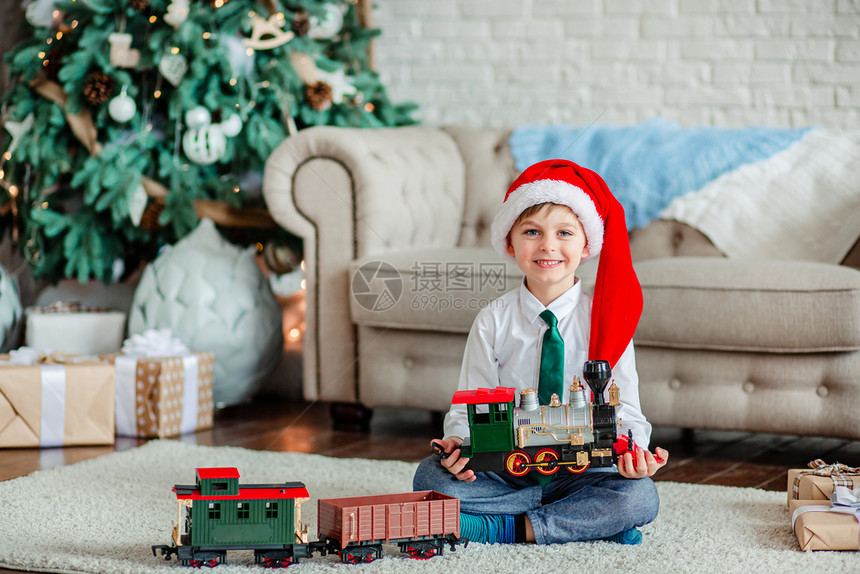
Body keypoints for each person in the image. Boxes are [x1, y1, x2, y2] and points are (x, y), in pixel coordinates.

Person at [412, 159, 669, 545]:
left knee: (639, 497)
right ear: (511, 242)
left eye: (564, 232)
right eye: (532, 232)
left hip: (581, 472)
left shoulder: (606, 323)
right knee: (429, 478)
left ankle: (504, 528)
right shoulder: (493, 321)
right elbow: (467, 407)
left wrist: (636, 454)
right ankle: (582, 524)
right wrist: (458, 447)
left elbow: (627, 409)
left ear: (586, 246)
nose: (548, 245)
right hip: (506, 468)